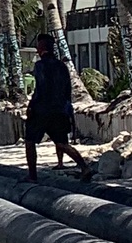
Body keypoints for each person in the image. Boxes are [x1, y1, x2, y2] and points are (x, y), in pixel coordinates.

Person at [24, 32, 90, 179]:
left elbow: (40, 88)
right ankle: (84, 167)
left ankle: (32, 175)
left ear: (41, 49)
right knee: (62, 143)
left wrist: (31, 106)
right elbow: (67, 90)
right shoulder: (62, 66)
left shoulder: (40, 66)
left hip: (42, 110)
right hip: (60, 110)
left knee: (30, 142)